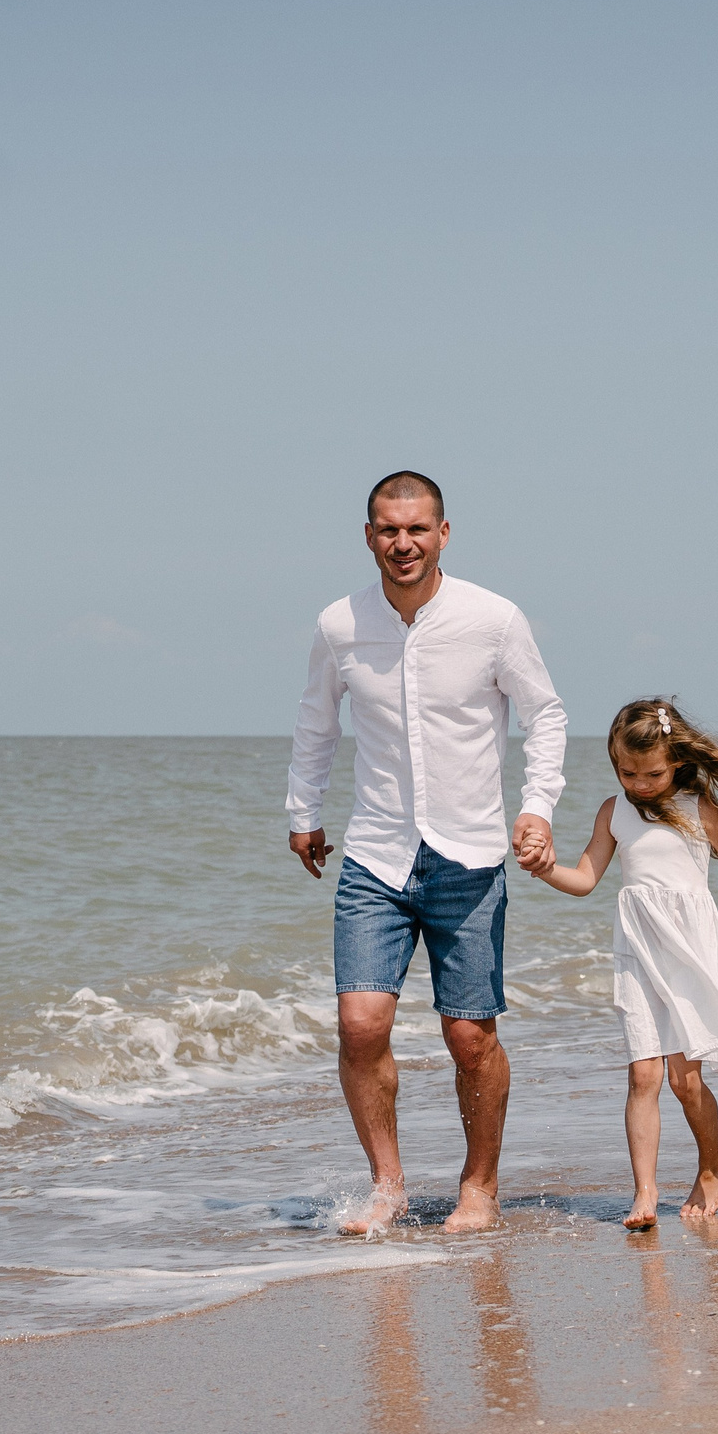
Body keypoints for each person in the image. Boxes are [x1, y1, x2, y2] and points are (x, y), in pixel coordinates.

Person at [287, 471, 568, 1237]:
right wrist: (302, 812)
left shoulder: (493, 619)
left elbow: (546, 716)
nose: (402, 542)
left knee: (470, 1034)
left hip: (469, 854)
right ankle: (389, 1185)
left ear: (444, 533)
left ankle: (479, 1187)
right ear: (368, 535)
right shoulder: (340, 624)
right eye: (387, 528)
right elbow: (317, 723)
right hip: (375, 853)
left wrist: (537, 807)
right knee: (360, 1023)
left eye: (417, 528)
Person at [531, 699, 718, 1230]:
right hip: (638, 953)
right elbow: (584, 880)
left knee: (686, 1081)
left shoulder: (703, 812)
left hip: (691, 951)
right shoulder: (614, 811)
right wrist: (544, 869)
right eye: (627, 772)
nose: (640, 783)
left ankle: (712, 1164)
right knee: (643, 1074)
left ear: (676, 759)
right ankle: (645, 1193)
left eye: (652, 773)